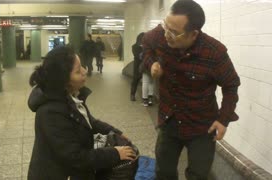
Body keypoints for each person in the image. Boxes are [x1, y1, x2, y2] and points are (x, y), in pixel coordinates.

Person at [142, 0, 241, 179]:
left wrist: (223, 119)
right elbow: (146, 45)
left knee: (198, 174)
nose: (166, 35)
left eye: (174, 32)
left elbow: (231, 85)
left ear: (193, 33)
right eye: (165, 26)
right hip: (169, 119)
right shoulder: (160, 35)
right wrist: (152, 64)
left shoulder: (214, 52)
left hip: (202, 125)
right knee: (163, 172)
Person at [27, 46, 136, 180]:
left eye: (82, 66)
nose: (85, 71)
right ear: (64, 80)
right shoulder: (51, 113)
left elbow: (89, 121)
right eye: (78, 71)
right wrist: (114, 154)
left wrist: (115, 132)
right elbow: (75, 157)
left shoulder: (70, 96)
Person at [130, 32, 145, 101]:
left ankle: (145, 97)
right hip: (137, 66)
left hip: (145, 66)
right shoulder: (134, 46)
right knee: (135, 80)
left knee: (145, 82)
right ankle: (132, 94)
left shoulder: (146, 46)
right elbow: (137, 55)